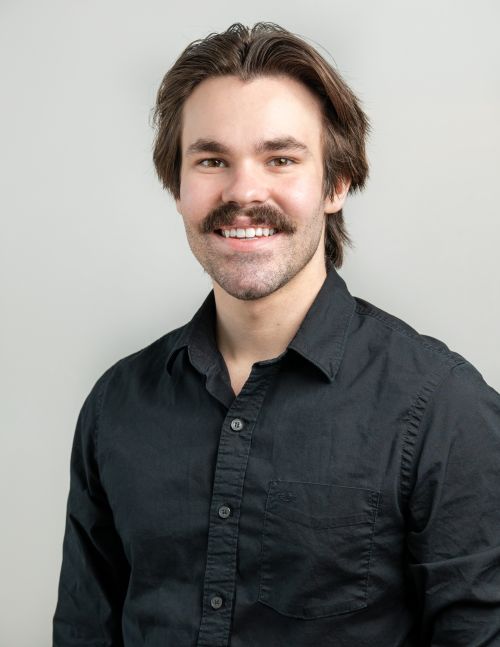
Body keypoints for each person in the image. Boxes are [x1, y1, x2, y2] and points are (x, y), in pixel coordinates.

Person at [53, 22, 500, 646]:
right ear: (177, 187)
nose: (243, 191)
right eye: (212, 160)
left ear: (336, 184)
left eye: (281, 159)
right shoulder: (116, 404)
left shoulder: (444, 409)